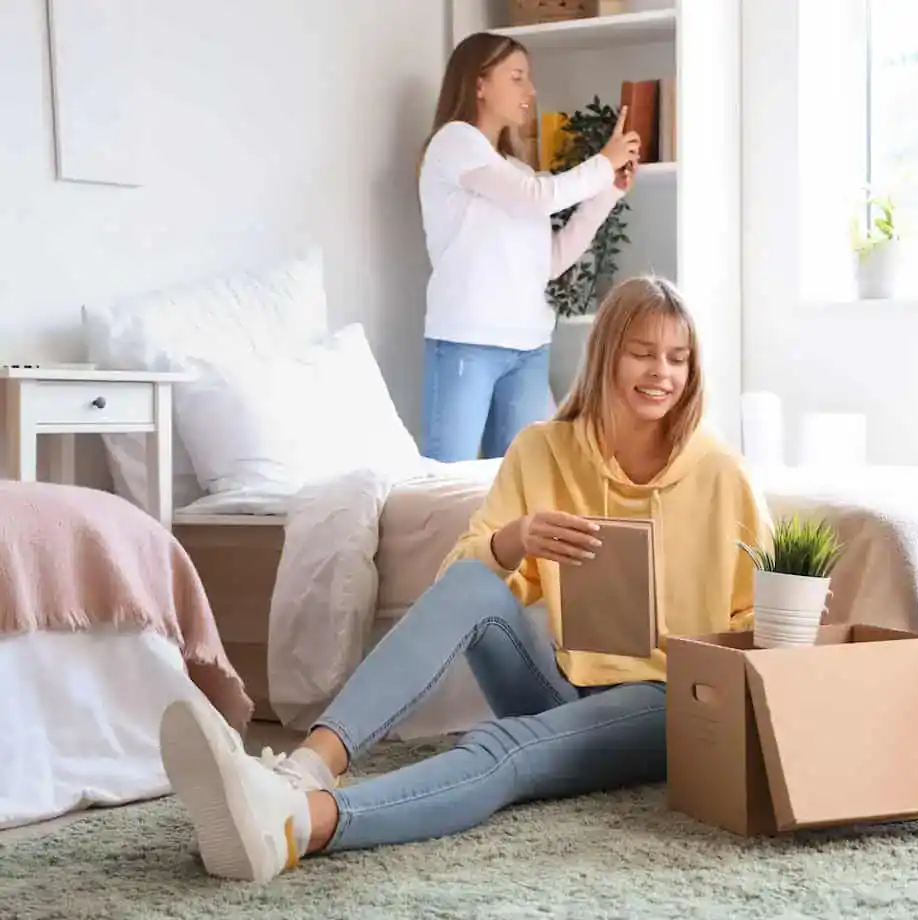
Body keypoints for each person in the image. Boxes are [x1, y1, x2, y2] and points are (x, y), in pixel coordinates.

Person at [157, 276, 774, 883]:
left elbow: (767, 618)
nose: (661, 372)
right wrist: (517, 538)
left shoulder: (722, 473)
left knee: (503, 747)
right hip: (565, 681)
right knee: (476, 585)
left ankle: (296, 825)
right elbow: (458, 586)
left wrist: (702, 670)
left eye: (678, 358)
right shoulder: (542, 450)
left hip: (666, 704)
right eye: (643, 353)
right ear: (607, 355)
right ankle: (305, 769)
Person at [417, 31, 643, 462]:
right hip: (468, 342)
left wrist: (606, 192)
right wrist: (603, 162)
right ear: (479, 84)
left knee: (523, 492)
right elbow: (540, 197)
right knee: (448, 487)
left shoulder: (517, 169)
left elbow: (551, 261)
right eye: (517, 77)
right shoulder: (455, 142)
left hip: (528, 347)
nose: (531, 90)